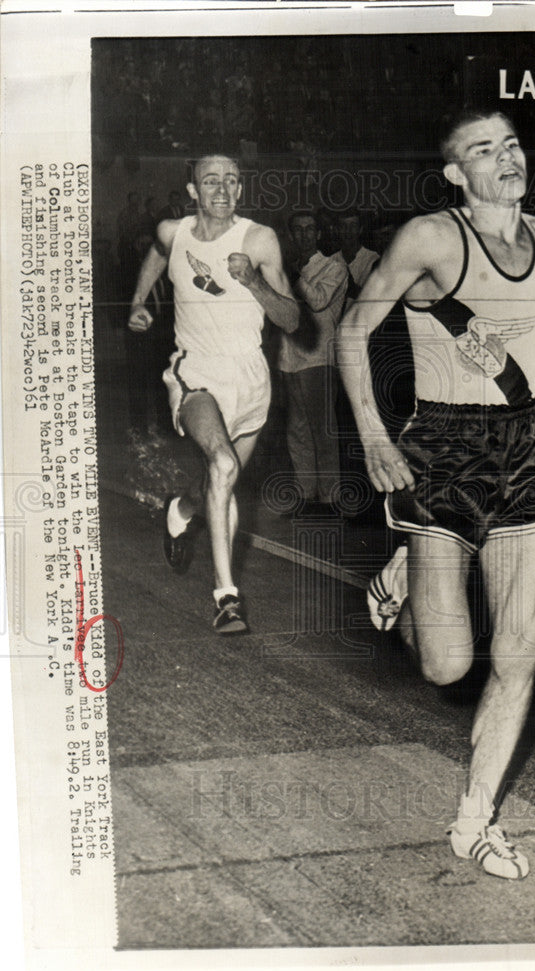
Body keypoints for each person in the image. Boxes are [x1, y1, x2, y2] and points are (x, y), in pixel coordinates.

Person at [337, 109, 535, 879]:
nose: (506, 159)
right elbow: (353, 331)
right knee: (448, 666)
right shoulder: (431, 237)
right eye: (483, 151)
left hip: (526, 448)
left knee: (519, 649)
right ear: (456, 172)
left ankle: (474, 819)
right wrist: (372, 437)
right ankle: (403, 576)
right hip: (442, 449)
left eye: (514, 144)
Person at [127, 154, 300, 633]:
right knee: (222, 467)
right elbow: (160, 256)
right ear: (193, 190)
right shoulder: (173, 231)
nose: (221, 189)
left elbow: (292, 319)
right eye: (211, 181)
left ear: (240, 190)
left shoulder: (258, 239)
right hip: (195, 374)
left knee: (216, 486)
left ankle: (181, 509)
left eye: (231, 181)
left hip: (250, 380)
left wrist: (252, 282)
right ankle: (227, 597)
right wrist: (139, 302)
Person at [279, 211, 348, 512]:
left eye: (310, 229)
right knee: (297, 430)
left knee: (322, 431)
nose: (304, 235)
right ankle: (306, 495)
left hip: (318, 357)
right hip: (289, 357)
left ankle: (330, 499)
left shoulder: (334, 266)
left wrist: (292, 277)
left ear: (319, 234)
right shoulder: (288, 268)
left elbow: (318, 300)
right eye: (298, 230)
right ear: (291, 235)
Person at [331, 210, 380, 306]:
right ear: (336, 230)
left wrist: (352, 288)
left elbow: (376, 301)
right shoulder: (329, 261)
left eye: (353, 226)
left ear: (360, 229)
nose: (347, 231)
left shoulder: (374, 260)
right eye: (343, 226)